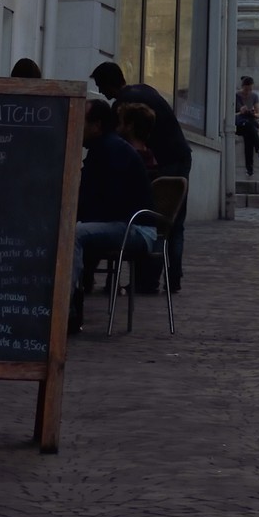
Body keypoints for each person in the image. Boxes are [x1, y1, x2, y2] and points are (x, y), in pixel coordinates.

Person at [91, 62, 192, 287]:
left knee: (154, 217)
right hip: (180, 155)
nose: (102, 93)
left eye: (101, 86)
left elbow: (114, 140)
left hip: (165, 161)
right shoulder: (144, 89)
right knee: (173, 221)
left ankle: (147, 279)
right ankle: (172, 278)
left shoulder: (124, 103)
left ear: (109, 83)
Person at [70, 99, 155, 332]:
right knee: (72, 231)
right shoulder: (106, 148)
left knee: (74, 234)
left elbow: (110, 202)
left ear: (96, 125)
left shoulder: (110, 150)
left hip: (135, 229)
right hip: (126, 224)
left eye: (82, 122)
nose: (77, 127)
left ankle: (66, 306)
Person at [116, 100, 160, 174]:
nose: (117, 128)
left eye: (120, 123)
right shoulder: (152, 160)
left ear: (130, 126)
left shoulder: (124, 159)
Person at [237, 76, 259, 175]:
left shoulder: (254, 96)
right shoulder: (236, 96)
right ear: (242, 87)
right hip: (239, 124)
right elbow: (229, 114)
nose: (248, 92)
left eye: (250, 89)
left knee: (249, 137)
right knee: (250, 128)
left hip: (250, 123)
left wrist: (253, 113)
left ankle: (249, 169)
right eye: (246, 89)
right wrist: (241, 111)